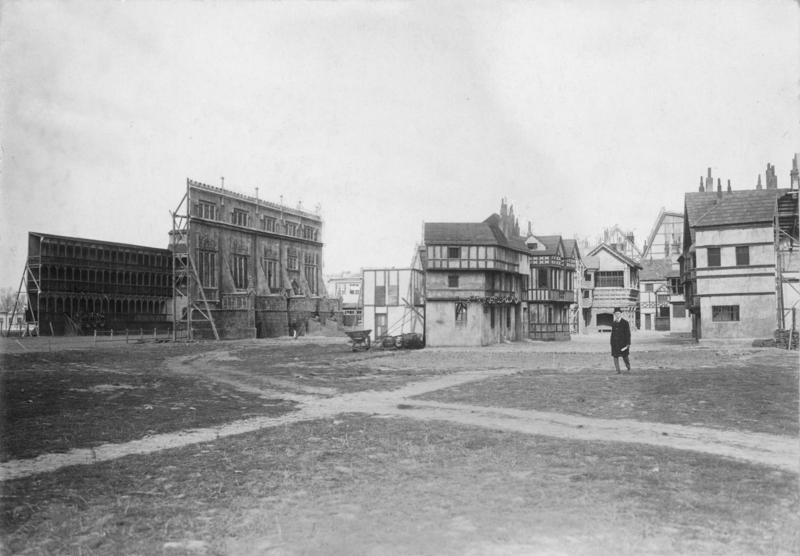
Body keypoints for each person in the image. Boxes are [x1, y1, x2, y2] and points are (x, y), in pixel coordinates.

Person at [610, 307, 631, 373]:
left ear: (621, 314)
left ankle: (628, 366)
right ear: (614, 314)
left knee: (625, 357)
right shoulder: (613, 323)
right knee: (615, 357)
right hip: (615, 344)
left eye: (618, 313)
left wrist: (628, 343)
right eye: (616, 314)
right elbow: (612, 334)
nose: (617, 315)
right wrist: (611, 342)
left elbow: (628, 334)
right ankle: (618, 370)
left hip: (623, 344)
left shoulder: (625, 323)